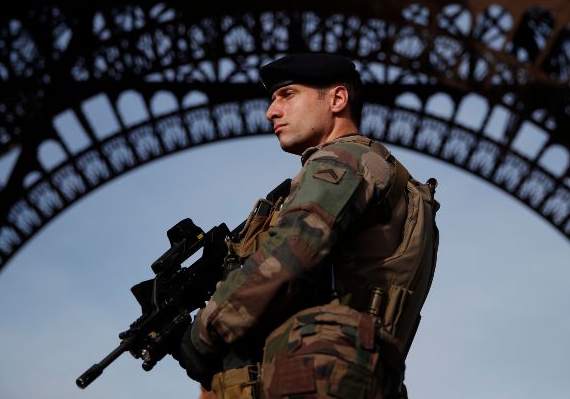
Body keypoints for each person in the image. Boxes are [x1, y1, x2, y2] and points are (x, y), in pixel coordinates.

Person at [174, 53, 440, 399]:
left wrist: (205, 332)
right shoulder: (394, 179)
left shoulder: (343, 160)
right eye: (272, 99)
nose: (271, 111)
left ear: (337, 99)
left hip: (312, 375)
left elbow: (291, 251)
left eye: (288, 95)